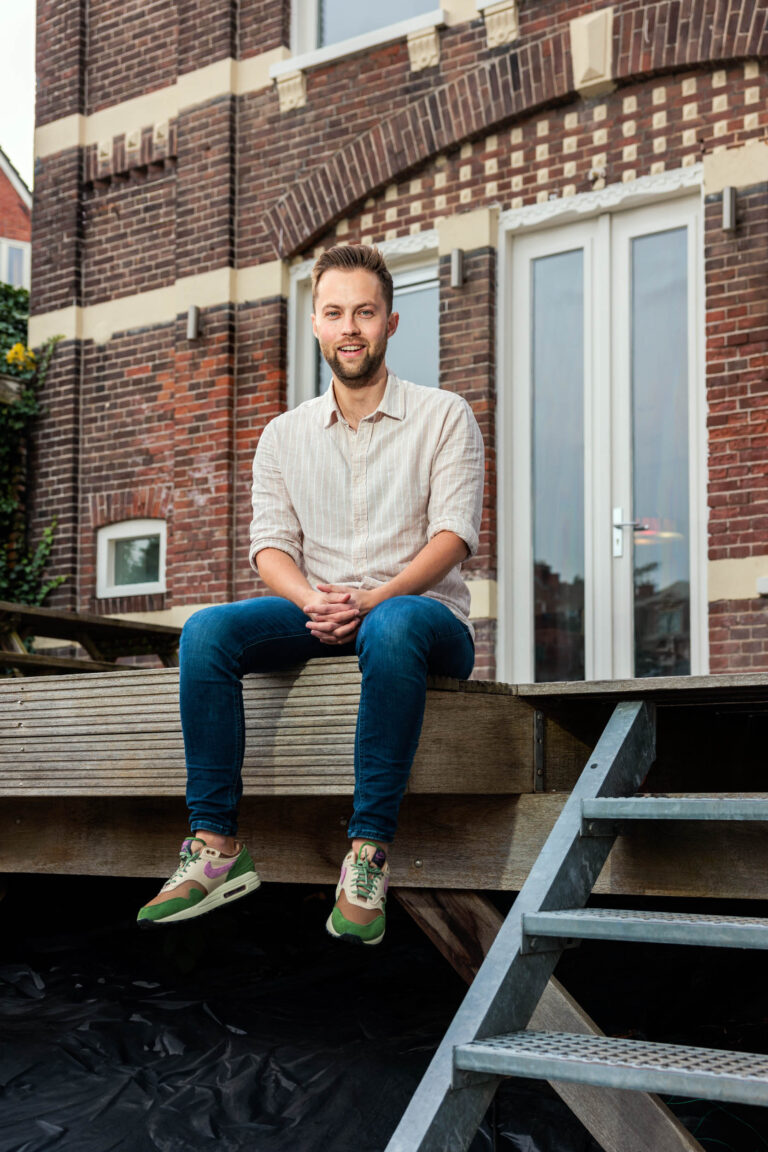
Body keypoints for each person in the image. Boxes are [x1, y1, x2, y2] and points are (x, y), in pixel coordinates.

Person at [137, 243, 484, 945]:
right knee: (206, 632)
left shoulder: (444, 416)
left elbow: (451, 538)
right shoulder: (283, 434)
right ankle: (214, 848)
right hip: (322, 611)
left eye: (364, 311)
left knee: (390, 627)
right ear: (316, 325)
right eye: (334, 312)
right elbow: (270, 547)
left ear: (390, 322)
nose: (349, 326)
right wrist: (310, 602)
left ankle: (367, 854)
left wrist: (372, 599)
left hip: (425, 619)